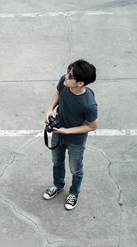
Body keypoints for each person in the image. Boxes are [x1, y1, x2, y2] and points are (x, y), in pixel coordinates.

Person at [43, 59, 98, 210]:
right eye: (68, 73)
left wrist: (68, 131)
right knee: (57, 162)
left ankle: (74, 192)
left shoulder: (89, 104)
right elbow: (58, 92)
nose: (66, 77)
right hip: (58, 133)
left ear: (80, 83)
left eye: (70, 76)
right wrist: (50, 110)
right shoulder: (65, 81)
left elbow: (93, 126)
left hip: (76, 140)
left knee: (75, 169)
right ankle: (58, 185)